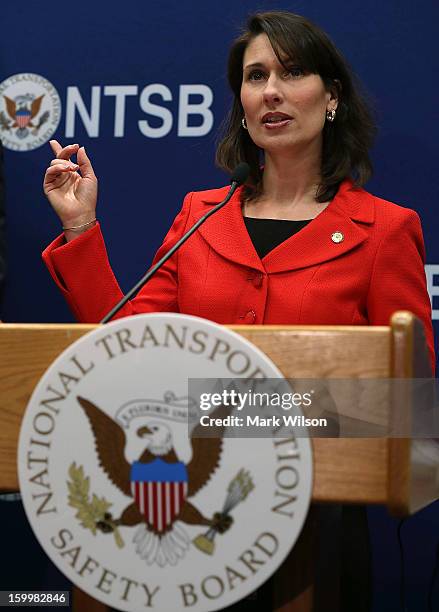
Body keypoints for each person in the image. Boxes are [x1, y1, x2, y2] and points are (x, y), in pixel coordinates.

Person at [41, 11, 435, 611]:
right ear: (242, 104)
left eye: (292, 72)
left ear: (331, 99)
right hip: (181, 532)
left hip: (312, 526)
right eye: (255, 76)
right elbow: (122, 346)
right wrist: (81, 226)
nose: (271, 91)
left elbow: (408, 406)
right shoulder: (199, 216)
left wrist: (219, 407)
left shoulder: (384, 230)